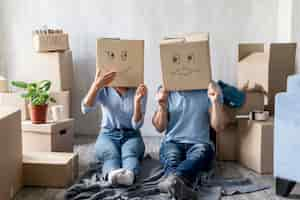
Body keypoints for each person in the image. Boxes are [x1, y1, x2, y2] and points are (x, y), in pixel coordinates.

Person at [152, 82, 227, 199]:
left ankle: (171, 181)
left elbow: (219, 127)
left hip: (200, 143)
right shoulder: (166, 88)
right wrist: (162, 105)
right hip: (173, 141)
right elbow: (159, 127)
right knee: (171, 159)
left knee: (198, 156)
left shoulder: (210, 89)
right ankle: (177, 183)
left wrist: (215, 101)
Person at [81, 68, 147, 186]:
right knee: (111, 154)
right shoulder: (104, 88)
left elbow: (136, 125)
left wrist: (137, 102)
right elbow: (85, 109)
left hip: (131, 134)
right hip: (107, 134)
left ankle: (129, 175)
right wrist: (96, 86)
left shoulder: (139, 88)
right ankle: (112, 174)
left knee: (130, 153)